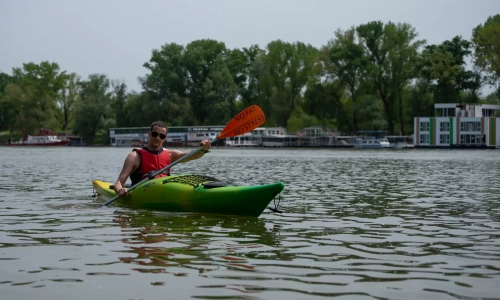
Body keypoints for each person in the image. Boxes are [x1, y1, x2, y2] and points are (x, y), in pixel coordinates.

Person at [113, 121, 211, 197]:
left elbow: (191, 155)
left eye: (162, 136)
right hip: (141, 194)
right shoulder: (134, 156)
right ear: (149, 134)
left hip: (164, 193)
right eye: (155, 134)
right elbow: (118, 183)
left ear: (165, 138)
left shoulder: (170, 154)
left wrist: (203, 149)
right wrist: (120, 190)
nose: (158, 138)